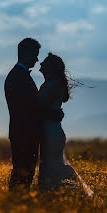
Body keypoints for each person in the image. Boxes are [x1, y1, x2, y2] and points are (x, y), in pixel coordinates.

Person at [4, 38, 63, 191]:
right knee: (22, 175)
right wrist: (54, 114)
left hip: (24, 134)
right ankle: (15, 204)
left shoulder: (19, 75)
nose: (37, 59)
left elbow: (32, 105)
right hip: (24, 134)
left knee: (24, 175)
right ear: (27, 54)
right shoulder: (18, 77)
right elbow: (30, 106)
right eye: (35, 55)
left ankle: (16, 203)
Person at [37, 53, 94, 197]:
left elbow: (40, 107)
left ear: (50, 67)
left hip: (51, 131)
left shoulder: (54, 85)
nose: (40, 63)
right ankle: (55, 196)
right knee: (49, 165)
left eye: (44, 62)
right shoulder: (49, 83)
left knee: (52, 166)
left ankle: (61, 195)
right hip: (48, 130)